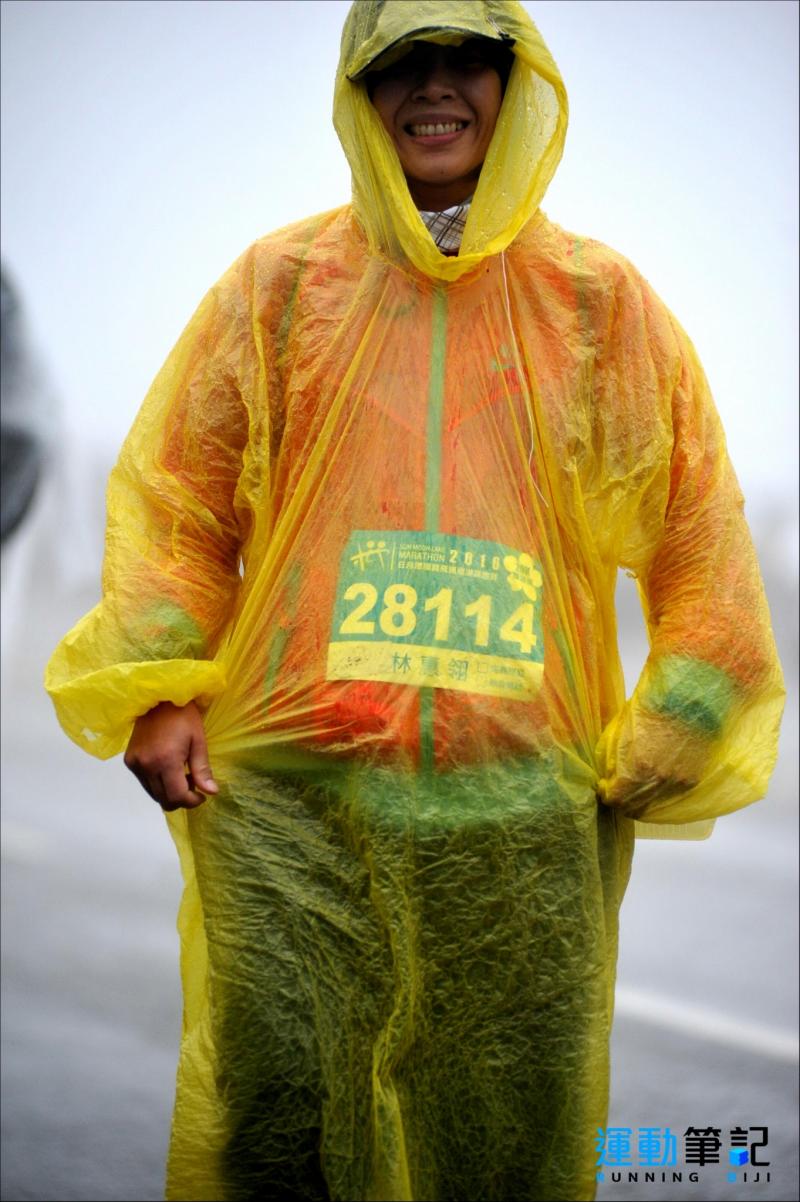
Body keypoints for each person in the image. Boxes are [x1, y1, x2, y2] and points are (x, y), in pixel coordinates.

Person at [45, 2, 785, 1199]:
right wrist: (161, 685)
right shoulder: (282, 288)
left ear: (514, 85)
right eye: (402, 64)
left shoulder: (596, 305)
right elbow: (181, 503)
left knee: (505, 1145)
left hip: (520, 829)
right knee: (279, 1139)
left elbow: (696, 532)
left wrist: (683, 713)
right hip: (291, 815)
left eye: (463, 61)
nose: (432, 89)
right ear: (359, 92)